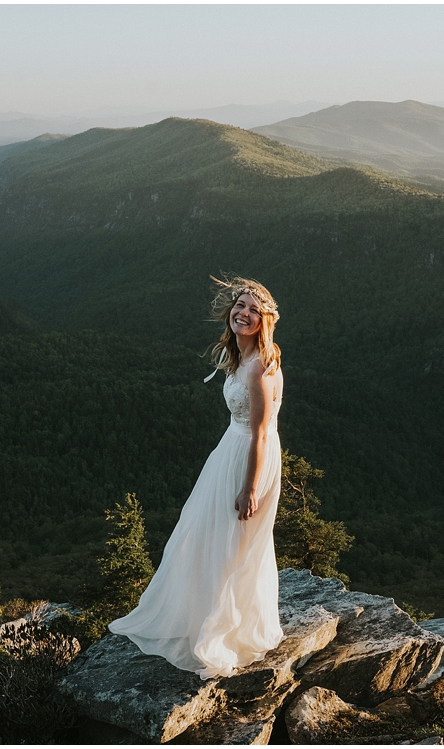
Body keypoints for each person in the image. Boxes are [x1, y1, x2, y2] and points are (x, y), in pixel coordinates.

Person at [109, 276, 285, 678]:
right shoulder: (243, 356)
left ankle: (223, 631)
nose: (243, 313)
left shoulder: (259, 365)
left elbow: (260, 431)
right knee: (207, 534)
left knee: (232, 542)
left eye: (253, 310)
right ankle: (210, 617)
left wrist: (250, 488)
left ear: (264, 320)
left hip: (249, 459)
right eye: (240, 306)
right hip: (231, 451)